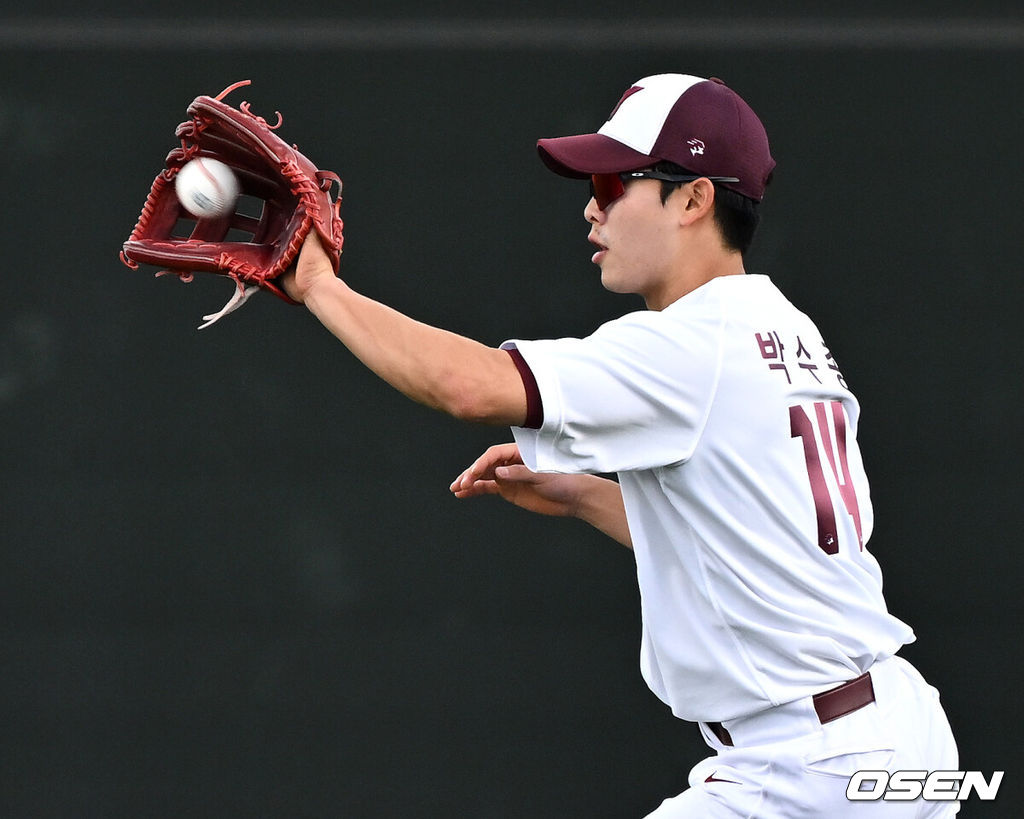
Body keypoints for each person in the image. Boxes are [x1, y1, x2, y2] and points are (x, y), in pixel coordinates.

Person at [281, 73, 959, 817]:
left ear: (695, 199)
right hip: (895, 730)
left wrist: (318, 284)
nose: (591, 207)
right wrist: (586, 495)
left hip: (808, 767)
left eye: (611, 182)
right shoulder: (785, 327)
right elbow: (754, 543)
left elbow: (463, 386)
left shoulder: (690, 346)